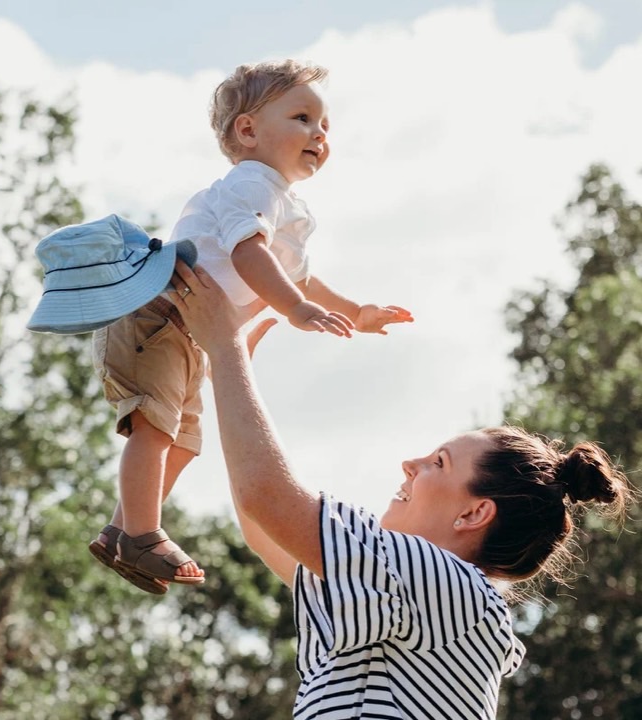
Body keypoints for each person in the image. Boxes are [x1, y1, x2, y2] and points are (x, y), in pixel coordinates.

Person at [167, 259, 636, 719]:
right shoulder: (422, 595)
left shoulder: (450, 584)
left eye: (438, 462)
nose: (409, 465)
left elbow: (267, 499)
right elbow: (264, 525)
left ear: (473, 514)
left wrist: (225, 348)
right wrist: (228, 372)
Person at [89, 59, 413, 593]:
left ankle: (122, 530)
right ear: (248, 130)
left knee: (185, 442)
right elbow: (248, 255)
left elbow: (301, 278)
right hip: (157, 315)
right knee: (155, 427)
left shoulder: (287, 205)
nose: (319, 134)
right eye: (303, 118)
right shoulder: (250, 185)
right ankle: (143, 533)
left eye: (325, 125)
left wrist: (357, 312)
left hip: (190, 332)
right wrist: (293, 309)